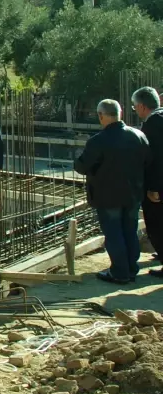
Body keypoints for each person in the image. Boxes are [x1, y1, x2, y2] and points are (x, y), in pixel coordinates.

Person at [74, 99, 151, 284]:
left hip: (108, 196)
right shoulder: (138, 135)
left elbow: (82, 166)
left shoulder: (98, 141)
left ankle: (119, 272)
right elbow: (148, 162)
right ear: (120, 113)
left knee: (114, 233)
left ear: (101, 116)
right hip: (133, 195)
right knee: (129, 231)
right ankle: (131, 269)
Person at [131, 87, 163, 277]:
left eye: (135, 107)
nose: (136, 110)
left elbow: (156, 160)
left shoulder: (153, 124)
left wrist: (153, 188)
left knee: (157, 223)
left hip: (158, 186)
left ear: (142, 106)